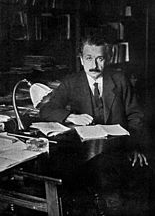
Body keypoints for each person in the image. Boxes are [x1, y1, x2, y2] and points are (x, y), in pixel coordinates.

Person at [39, 33, 149, 201]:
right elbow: (46, 110)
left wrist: (135, 146)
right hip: (85, 151)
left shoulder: (119, 80)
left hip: (117, 149)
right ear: (81, 60)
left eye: (100, 59)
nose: (94, 65)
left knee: (114, 191)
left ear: (109, 58)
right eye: (89, 58)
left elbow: (135, 116)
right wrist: (71, 117)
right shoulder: (71, 82)